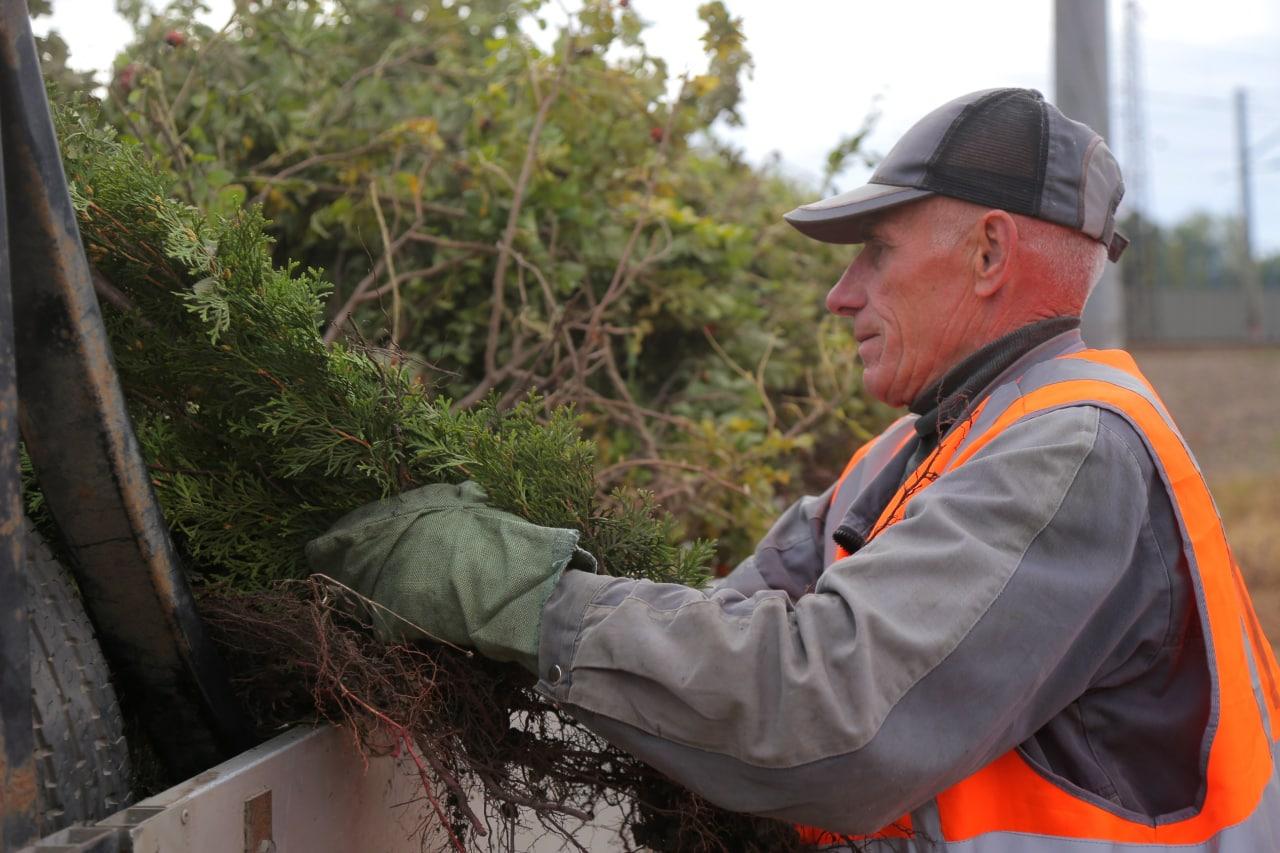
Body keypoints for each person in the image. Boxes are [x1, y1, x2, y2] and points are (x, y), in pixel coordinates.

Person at [309, 89, 1280, 849]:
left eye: (874, 252)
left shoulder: (1072, 451)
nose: (837, 293)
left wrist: (516, 595)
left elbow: (826, 714)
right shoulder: (914, 452)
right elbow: (736, 630)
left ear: (988, 251)